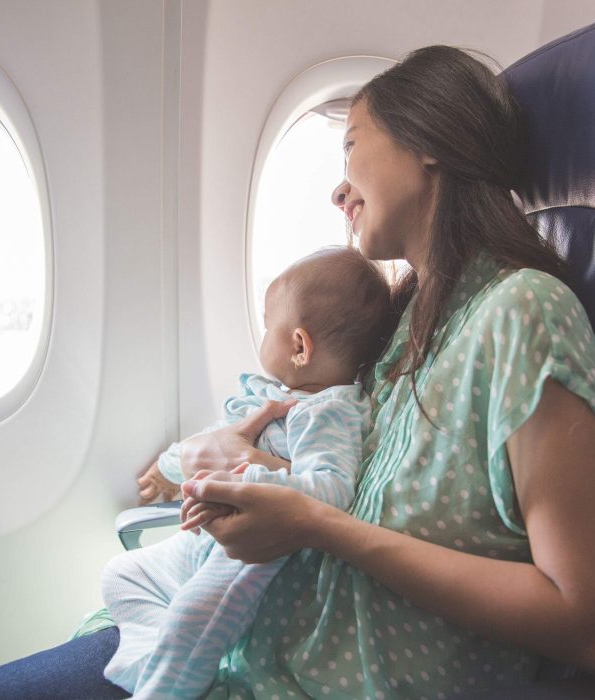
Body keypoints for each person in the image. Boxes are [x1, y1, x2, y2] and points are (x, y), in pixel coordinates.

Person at [0, 44, 595, 699]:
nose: (339, 191)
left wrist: (315, 526)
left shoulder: (523, 314)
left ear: (427, 145)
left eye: (353, 148)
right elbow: (326, 456)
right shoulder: (401, 325)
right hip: (242, 655)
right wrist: (241, 461)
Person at [99, 246, 395, 698]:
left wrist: (252, 475)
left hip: (255, 553)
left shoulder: (329, 412)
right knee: (121, 574)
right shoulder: (275, 394)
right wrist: (167, 469)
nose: (261, 336)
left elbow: (331, 489)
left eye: (266, 325)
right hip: (206, 541)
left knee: (191, 620)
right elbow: (220, 436)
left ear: (299, 345)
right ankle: (152, 659)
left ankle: (165, 685)